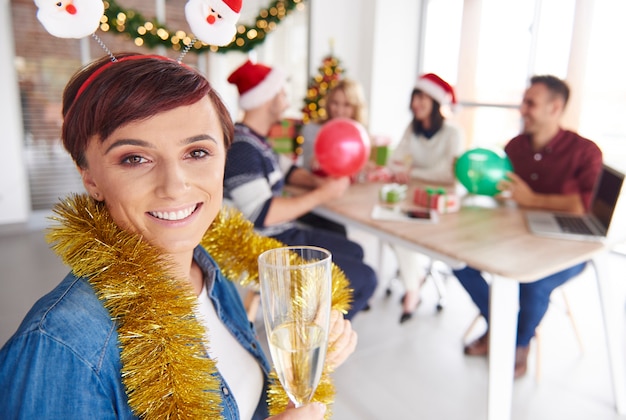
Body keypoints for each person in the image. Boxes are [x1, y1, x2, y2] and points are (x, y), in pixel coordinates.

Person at [0, 53, 357, 419]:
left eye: (197, 152)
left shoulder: (209, 273)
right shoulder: (59, 346)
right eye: (135, 158)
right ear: (90, 178)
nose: (174, 187)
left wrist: (305, 376)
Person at [453, 75, 603, 378]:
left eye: (530, 103)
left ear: (555, 107)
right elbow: (499, 188)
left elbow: (585, 205)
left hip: (569, 246)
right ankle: (499, 327)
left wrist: (533, 199)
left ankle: (518, 345)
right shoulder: (515, 147)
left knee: (533, 282)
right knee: (457, 259)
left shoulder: (585, 152)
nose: (522, 109)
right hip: (517, 236)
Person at [224, 60, 378, 320]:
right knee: (367, 278)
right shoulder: (242, 149)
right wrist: (323, 194)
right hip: (266, 246)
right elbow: (262, 214)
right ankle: (314, 339)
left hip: (281, 234)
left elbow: (289, 171)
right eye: (282, 94)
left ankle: (318, 315)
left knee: (355, 251)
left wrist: (318, 182)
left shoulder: (257, 141)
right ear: (267, 99)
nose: (286, 100)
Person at [387, 73, 465, 323]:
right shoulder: (413, 129)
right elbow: (393, 160)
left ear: (434, 101)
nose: (416, 104)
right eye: (414, 98)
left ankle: (412, 289)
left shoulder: (453, 134)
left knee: (402, 233)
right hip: (414, 196)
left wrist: (411, 172)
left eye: (422, 98)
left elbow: (448, 175)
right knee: (392, 229)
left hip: (443, 203)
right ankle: (413, 286)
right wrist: (406, 172)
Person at [298, 78, 369, 235]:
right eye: (335, 103)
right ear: (328, 103)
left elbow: (357, 172)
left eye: (346, 105)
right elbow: (306, 172)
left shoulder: (358, 136)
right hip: (316, 203)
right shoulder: (313, 130)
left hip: (343, 201)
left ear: (355, 108)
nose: (339, 110)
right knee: (339, 235)